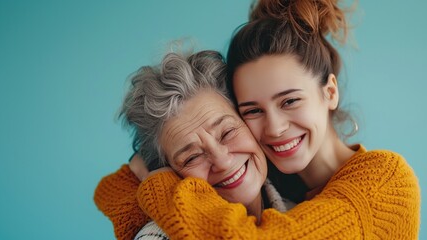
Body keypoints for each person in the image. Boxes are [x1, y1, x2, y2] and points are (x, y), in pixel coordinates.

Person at [134, 0, 421, 239]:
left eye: (290, 101)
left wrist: (158, 185)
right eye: (253, 110)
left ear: (330, 92)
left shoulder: (386, 181)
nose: (275, 128)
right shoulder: (274, 188)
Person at [93, 50, 294, 240]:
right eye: (192, 158)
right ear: (168, 173)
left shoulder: (300, 209)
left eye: (227, 132)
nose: (222, 161)